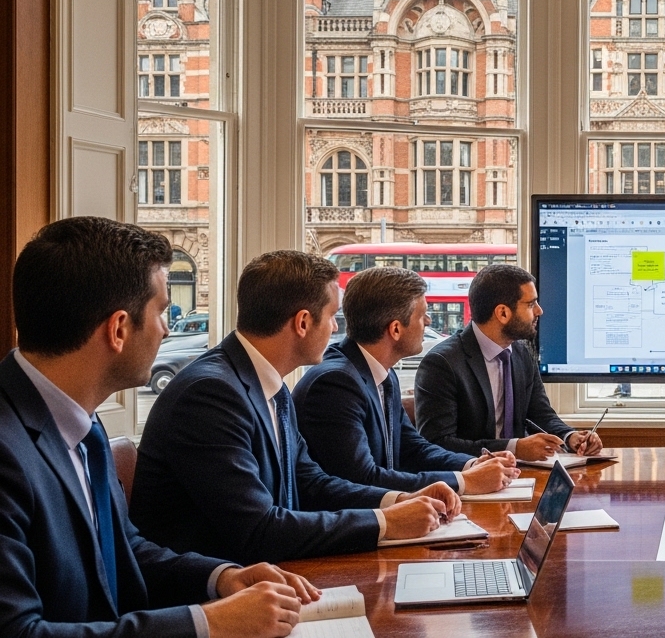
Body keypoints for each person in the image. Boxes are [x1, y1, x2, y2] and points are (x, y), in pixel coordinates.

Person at [0, 217, 319, 637]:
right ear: (117, 329)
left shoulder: (78, 423)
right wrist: (208, 623)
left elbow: (123, 550)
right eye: (162, 311)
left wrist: (221, 577)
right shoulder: (8, 450)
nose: (167, 329)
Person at [131, 251, 461, 565]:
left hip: (275, 577)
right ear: (302, 322)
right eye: (332, 316)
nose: (335, 328)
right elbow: (258, 529)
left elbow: (313, 483)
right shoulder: (210, 393)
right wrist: (385, 522)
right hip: (223, 595)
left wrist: (398, 501)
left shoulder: (267, 384)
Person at [294, 266, 520, 495]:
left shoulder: (382, 372)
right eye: (422, 315)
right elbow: (362, 478)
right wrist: (464, 482)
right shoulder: (335, 384)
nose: (429, 321)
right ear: (395, 329)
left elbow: (411, 447)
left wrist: (472, 465)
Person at [415, 264, 604, 461]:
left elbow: (541, 415)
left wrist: (570, 437)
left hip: (518, 476)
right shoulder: (442, 364)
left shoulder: (521, 352)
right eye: (531, 305)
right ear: (503, 313)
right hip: (469, 480)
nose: (539, 311)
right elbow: (438, 443)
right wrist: (514, 448)